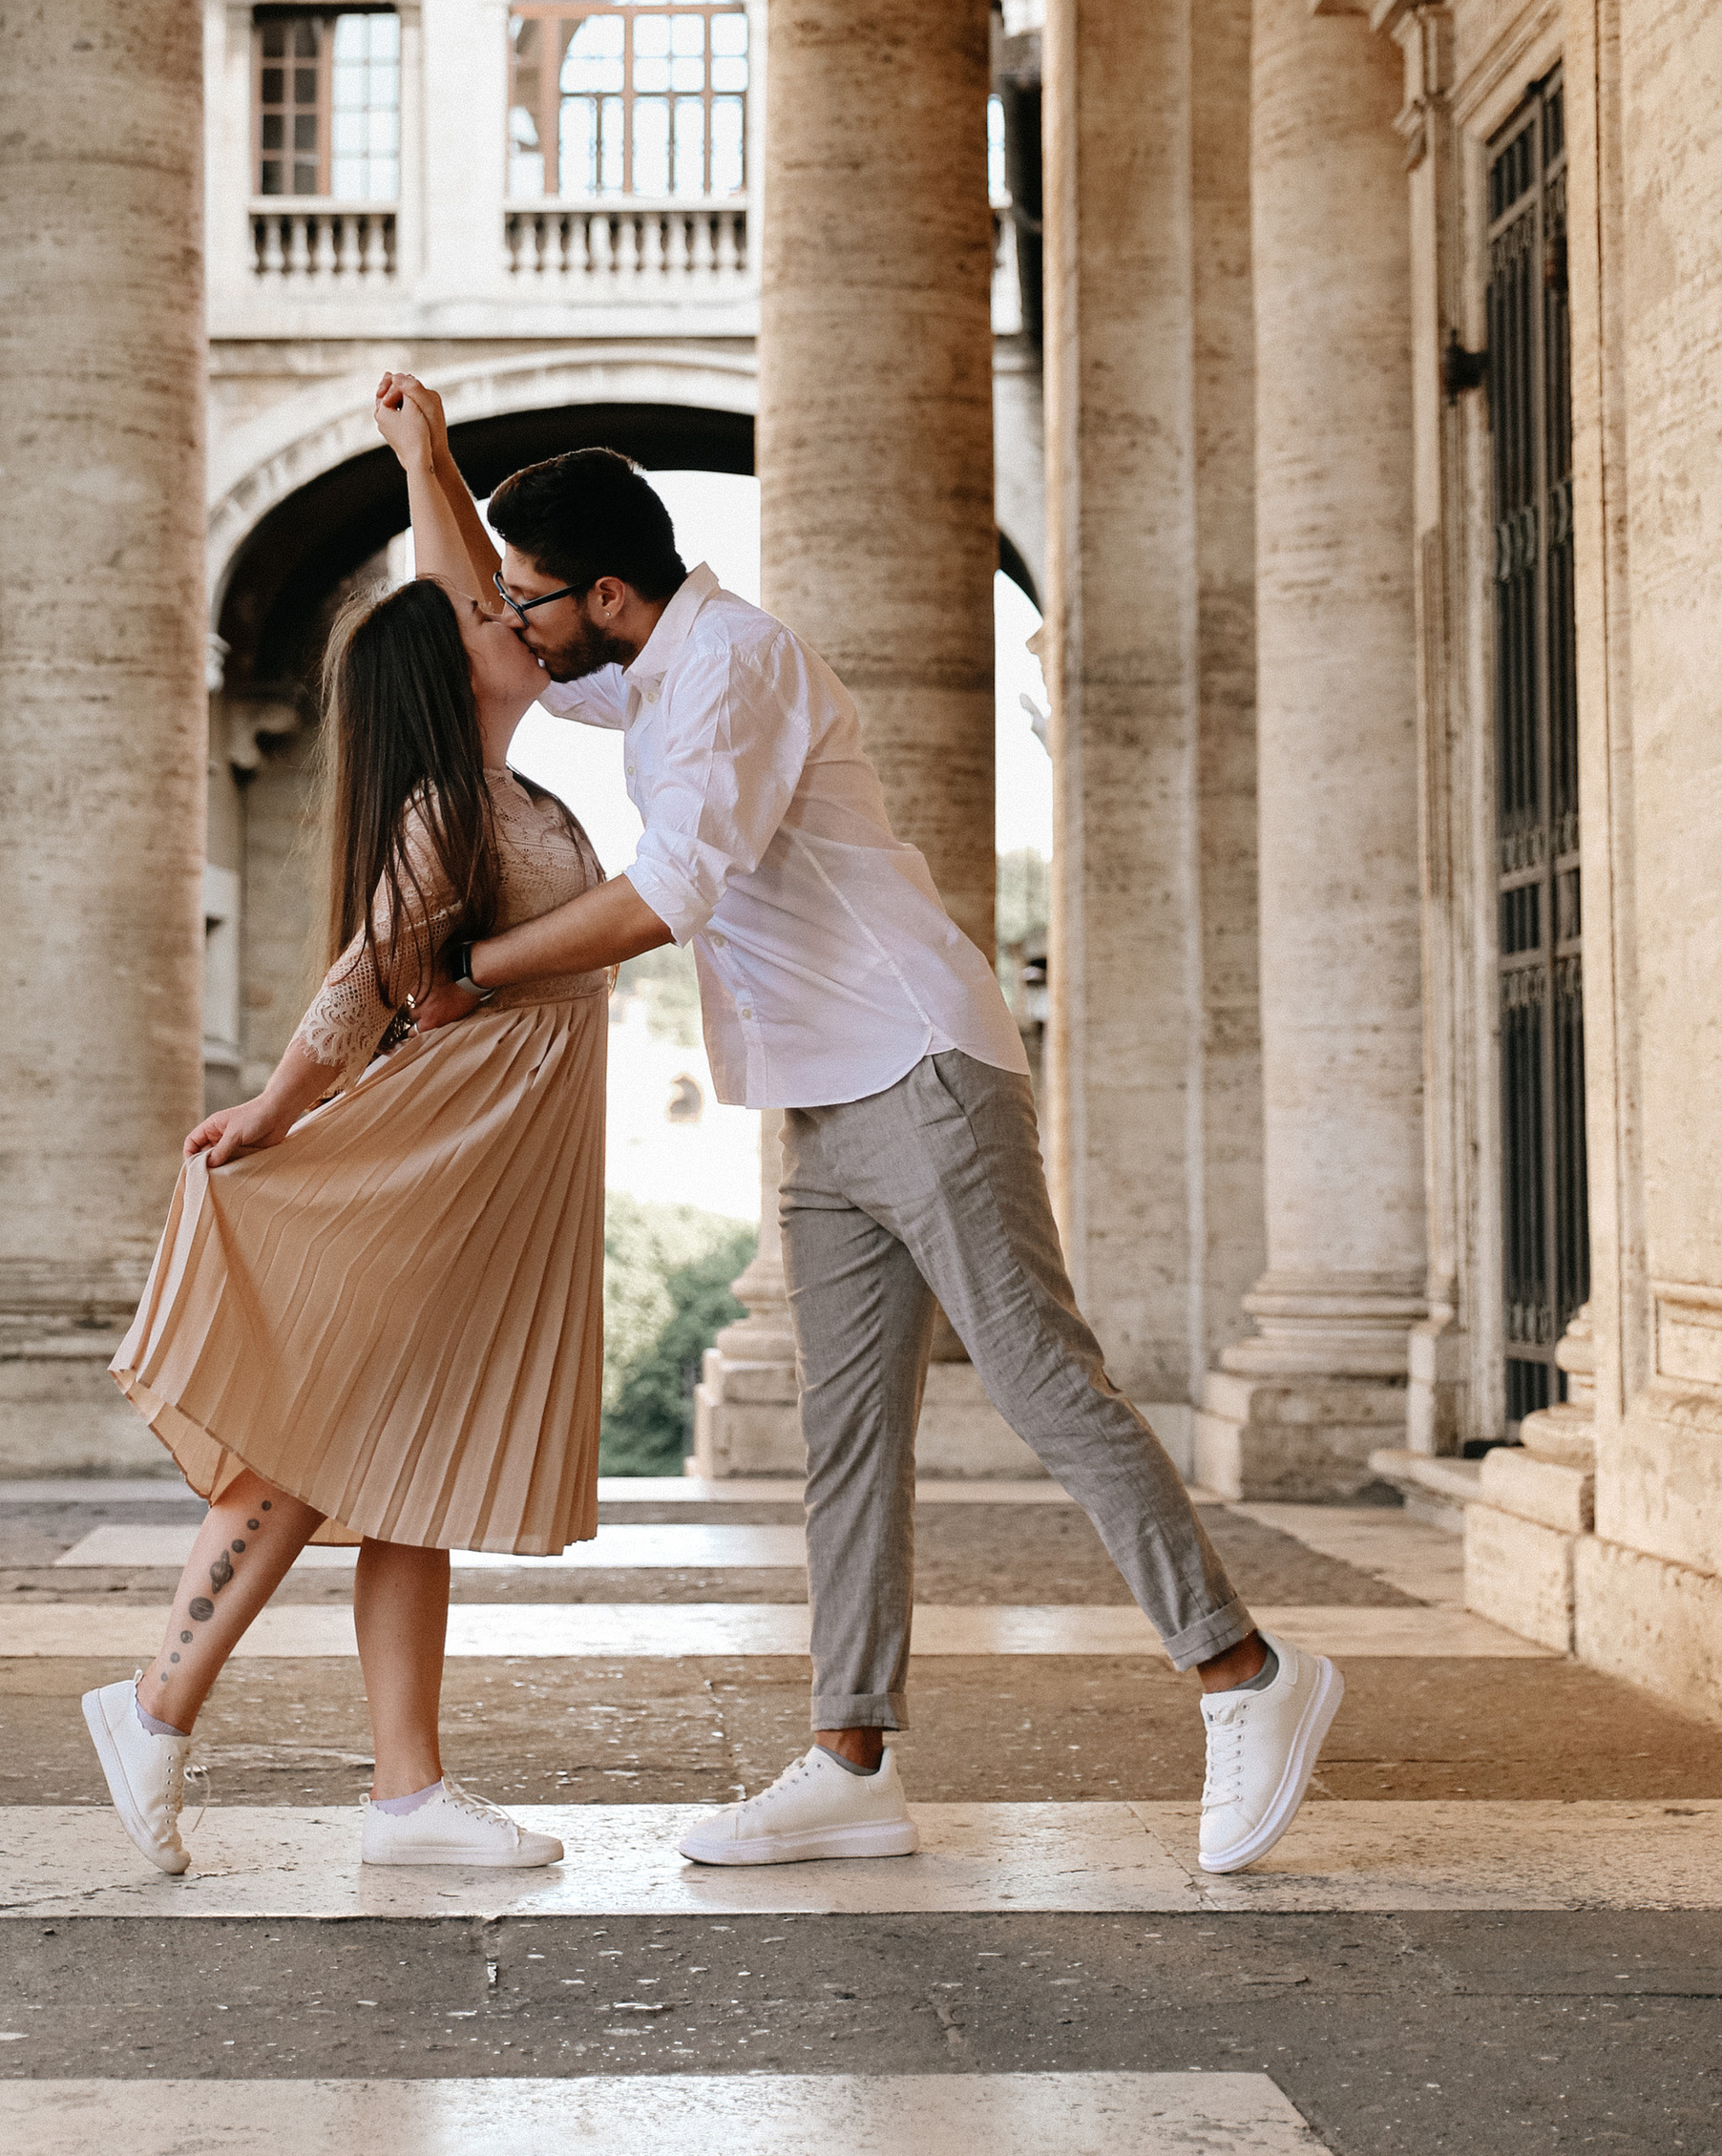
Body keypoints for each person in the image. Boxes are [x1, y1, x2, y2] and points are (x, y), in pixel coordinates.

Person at [386, 382, 1341, 1880]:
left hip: (921, 1069)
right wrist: (426, 461)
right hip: (827, 1100)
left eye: (532, 596)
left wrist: (468, 973)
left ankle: (1245, 1675)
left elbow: (666, 896)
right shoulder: (646, 661)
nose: (512, 620)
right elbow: (482, 613)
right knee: (845, 1440)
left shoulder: (736, 666)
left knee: (1041, 1381)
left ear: (611, 594)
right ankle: (850, 1762)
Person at [81, 392, 610, 1880]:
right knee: (319, 1446)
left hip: (485, 1166)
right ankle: (157, 1704)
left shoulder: (510, 778)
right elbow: (368, 970)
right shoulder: (453, 803)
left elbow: (450, 590)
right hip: (433, 1161)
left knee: (404, 1462)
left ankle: (403, 1793)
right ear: (461, 667)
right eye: (490, 614)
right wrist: (272, 1109)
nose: (510, 612)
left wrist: (422, 461)